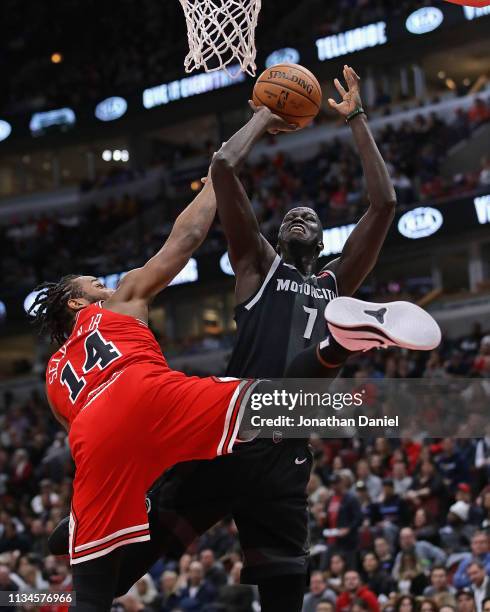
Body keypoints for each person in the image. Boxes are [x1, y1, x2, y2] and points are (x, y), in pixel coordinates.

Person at [46, 67, 440, 610]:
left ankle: (340, 342)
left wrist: (356, 120)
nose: (300, 215)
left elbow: (384, 205)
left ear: (325, 241)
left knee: (283, 599)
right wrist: (263, 115)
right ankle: (338, 346)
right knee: (114, 581)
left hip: (281, 454)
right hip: (227, 438)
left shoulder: (336, 283)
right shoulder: (257, 267)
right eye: (290, 216)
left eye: (310, 216)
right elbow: (225, 167)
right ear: (272, 236)